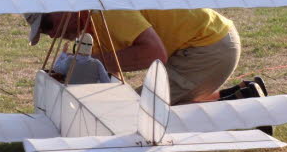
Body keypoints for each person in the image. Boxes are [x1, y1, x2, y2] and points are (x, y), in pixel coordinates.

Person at [23, 7, 265, 106]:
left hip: (208, 47)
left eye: (48, 24)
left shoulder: (107, 12)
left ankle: (247, 109)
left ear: (64, 7)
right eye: (44, 32)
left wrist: (93, 63)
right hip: (206, 39)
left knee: (143, 112)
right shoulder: (88, 25)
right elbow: (110, 77)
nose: (53, 34)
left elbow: (153, 53)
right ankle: (243, 97)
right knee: (137, 104)